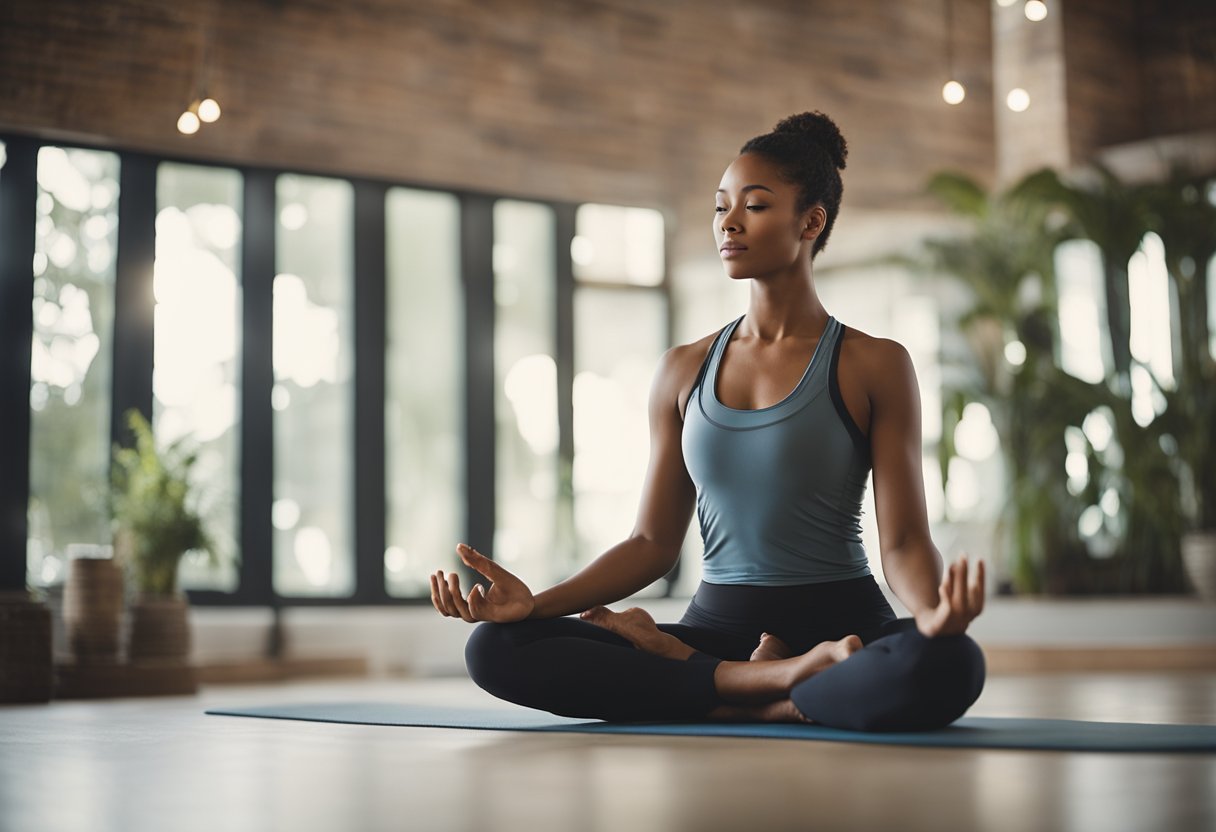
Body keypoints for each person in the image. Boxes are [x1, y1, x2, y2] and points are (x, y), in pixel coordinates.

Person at [430, 111, 987, 731]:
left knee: (953, 663)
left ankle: (720, 681)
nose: (728, 223)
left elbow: (904, 542)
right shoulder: (682, 369)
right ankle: (774, 685)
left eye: (754, 205)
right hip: (716, 631)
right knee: (497, 649)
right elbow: (651, 545)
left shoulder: (874, 363)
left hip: (843, 630)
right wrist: (534, 605)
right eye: (721, 206)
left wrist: (933, 613)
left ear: (811, 221)